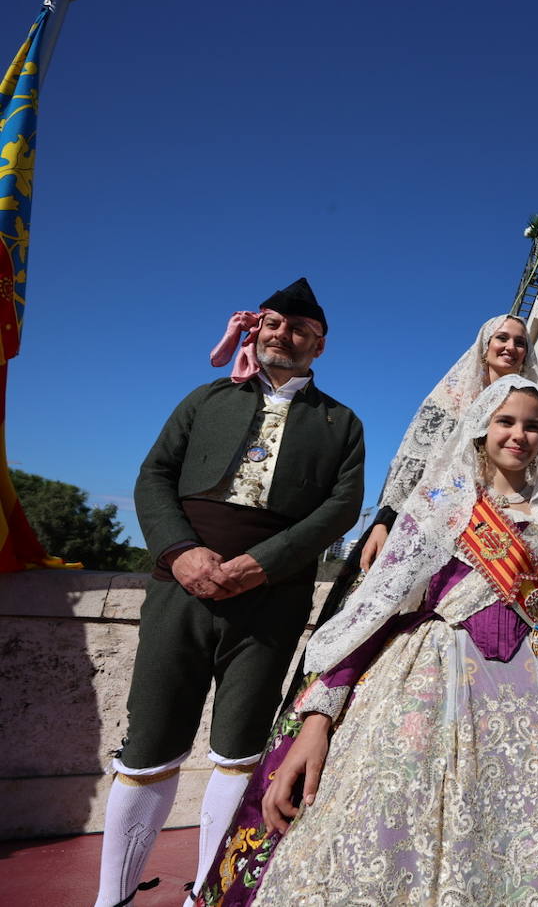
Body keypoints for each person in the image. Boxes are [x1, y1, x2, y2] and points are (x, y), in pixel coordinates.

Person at [194, 376, 538, 906]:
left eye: (532, 425)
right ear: (481, 428)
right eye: (506, 421)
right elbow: (377, 604)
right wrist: (319, 717)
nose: (519, 434)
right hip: (434, 679)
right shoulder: (440, 500)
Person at [96, 278, 365, 907]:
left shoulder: (341, 423)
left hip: (271, 603)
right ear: (256, 329)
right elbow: (154, 475)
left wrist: (262, 564)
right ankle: (112, 897)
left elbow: (341, 508)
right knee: (149, 744)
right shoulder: (205, 399)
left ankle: (208, 897)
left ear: (319, 346)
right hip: (178, 590)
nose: (284, 335)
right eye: (273, 323)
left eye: (300, 329)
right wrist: (179, 551)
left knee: (240, 749)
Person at [315, 314, 538, 626]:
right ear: (484, 346)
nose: (510, 347)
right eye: (502, 338)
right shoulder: (450, 400)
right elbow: (412, 462)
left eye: (520, 342)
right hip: (423, 520)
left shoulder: (529, 407)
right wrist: (383, 523)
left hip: (484, 532)